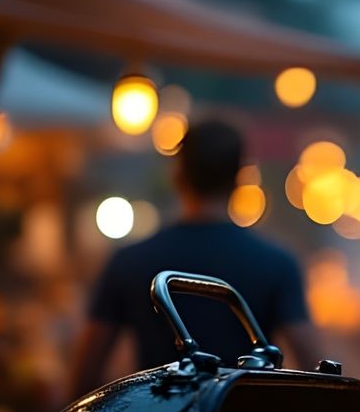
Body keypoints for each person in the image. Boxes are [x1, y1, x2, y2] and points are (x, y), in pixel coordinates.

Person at [70, 118, 312, 395]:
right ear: (239, 178)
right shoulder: (277, 264)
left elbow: (84, 375)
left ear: (178, 175)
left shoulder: (129, 261)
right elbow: (311, 363)